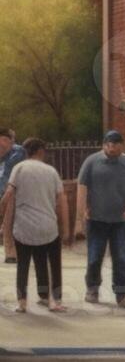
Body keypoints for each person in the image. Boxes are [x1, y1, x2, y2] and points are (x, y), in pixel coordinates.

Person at [76, 130, 125, 308]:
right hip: (96, 219)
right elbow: (82, 188)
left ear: (121, 145)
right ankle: (92, 289)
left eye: (115, 145)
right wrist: (81, 215)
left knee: (121, 258)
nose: (111, 148)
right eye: (108, 145)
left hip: (120, 221)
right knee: (94, 256)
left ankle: (122, 294)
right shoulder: (91, 162)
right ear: (103, 145)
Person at [2, 139, 68, 313]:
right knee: (47, 262)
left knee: (22, 264)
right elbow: (61, 201)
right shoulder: (52, 171)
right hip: (48, 226)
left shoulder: (19, 168)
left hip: (24, 227)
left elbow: (9, 194)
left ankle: (22, 302)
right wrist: (65, 227)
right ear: (40, 151)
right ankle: (49, 298)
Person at [0, 129, 24, 266]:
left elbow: (10, 175)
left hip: (11, 192)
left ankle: (10, 252)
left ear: (10, 141)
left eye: (4, 143)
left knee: (9, 220)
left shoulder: (18, 152)